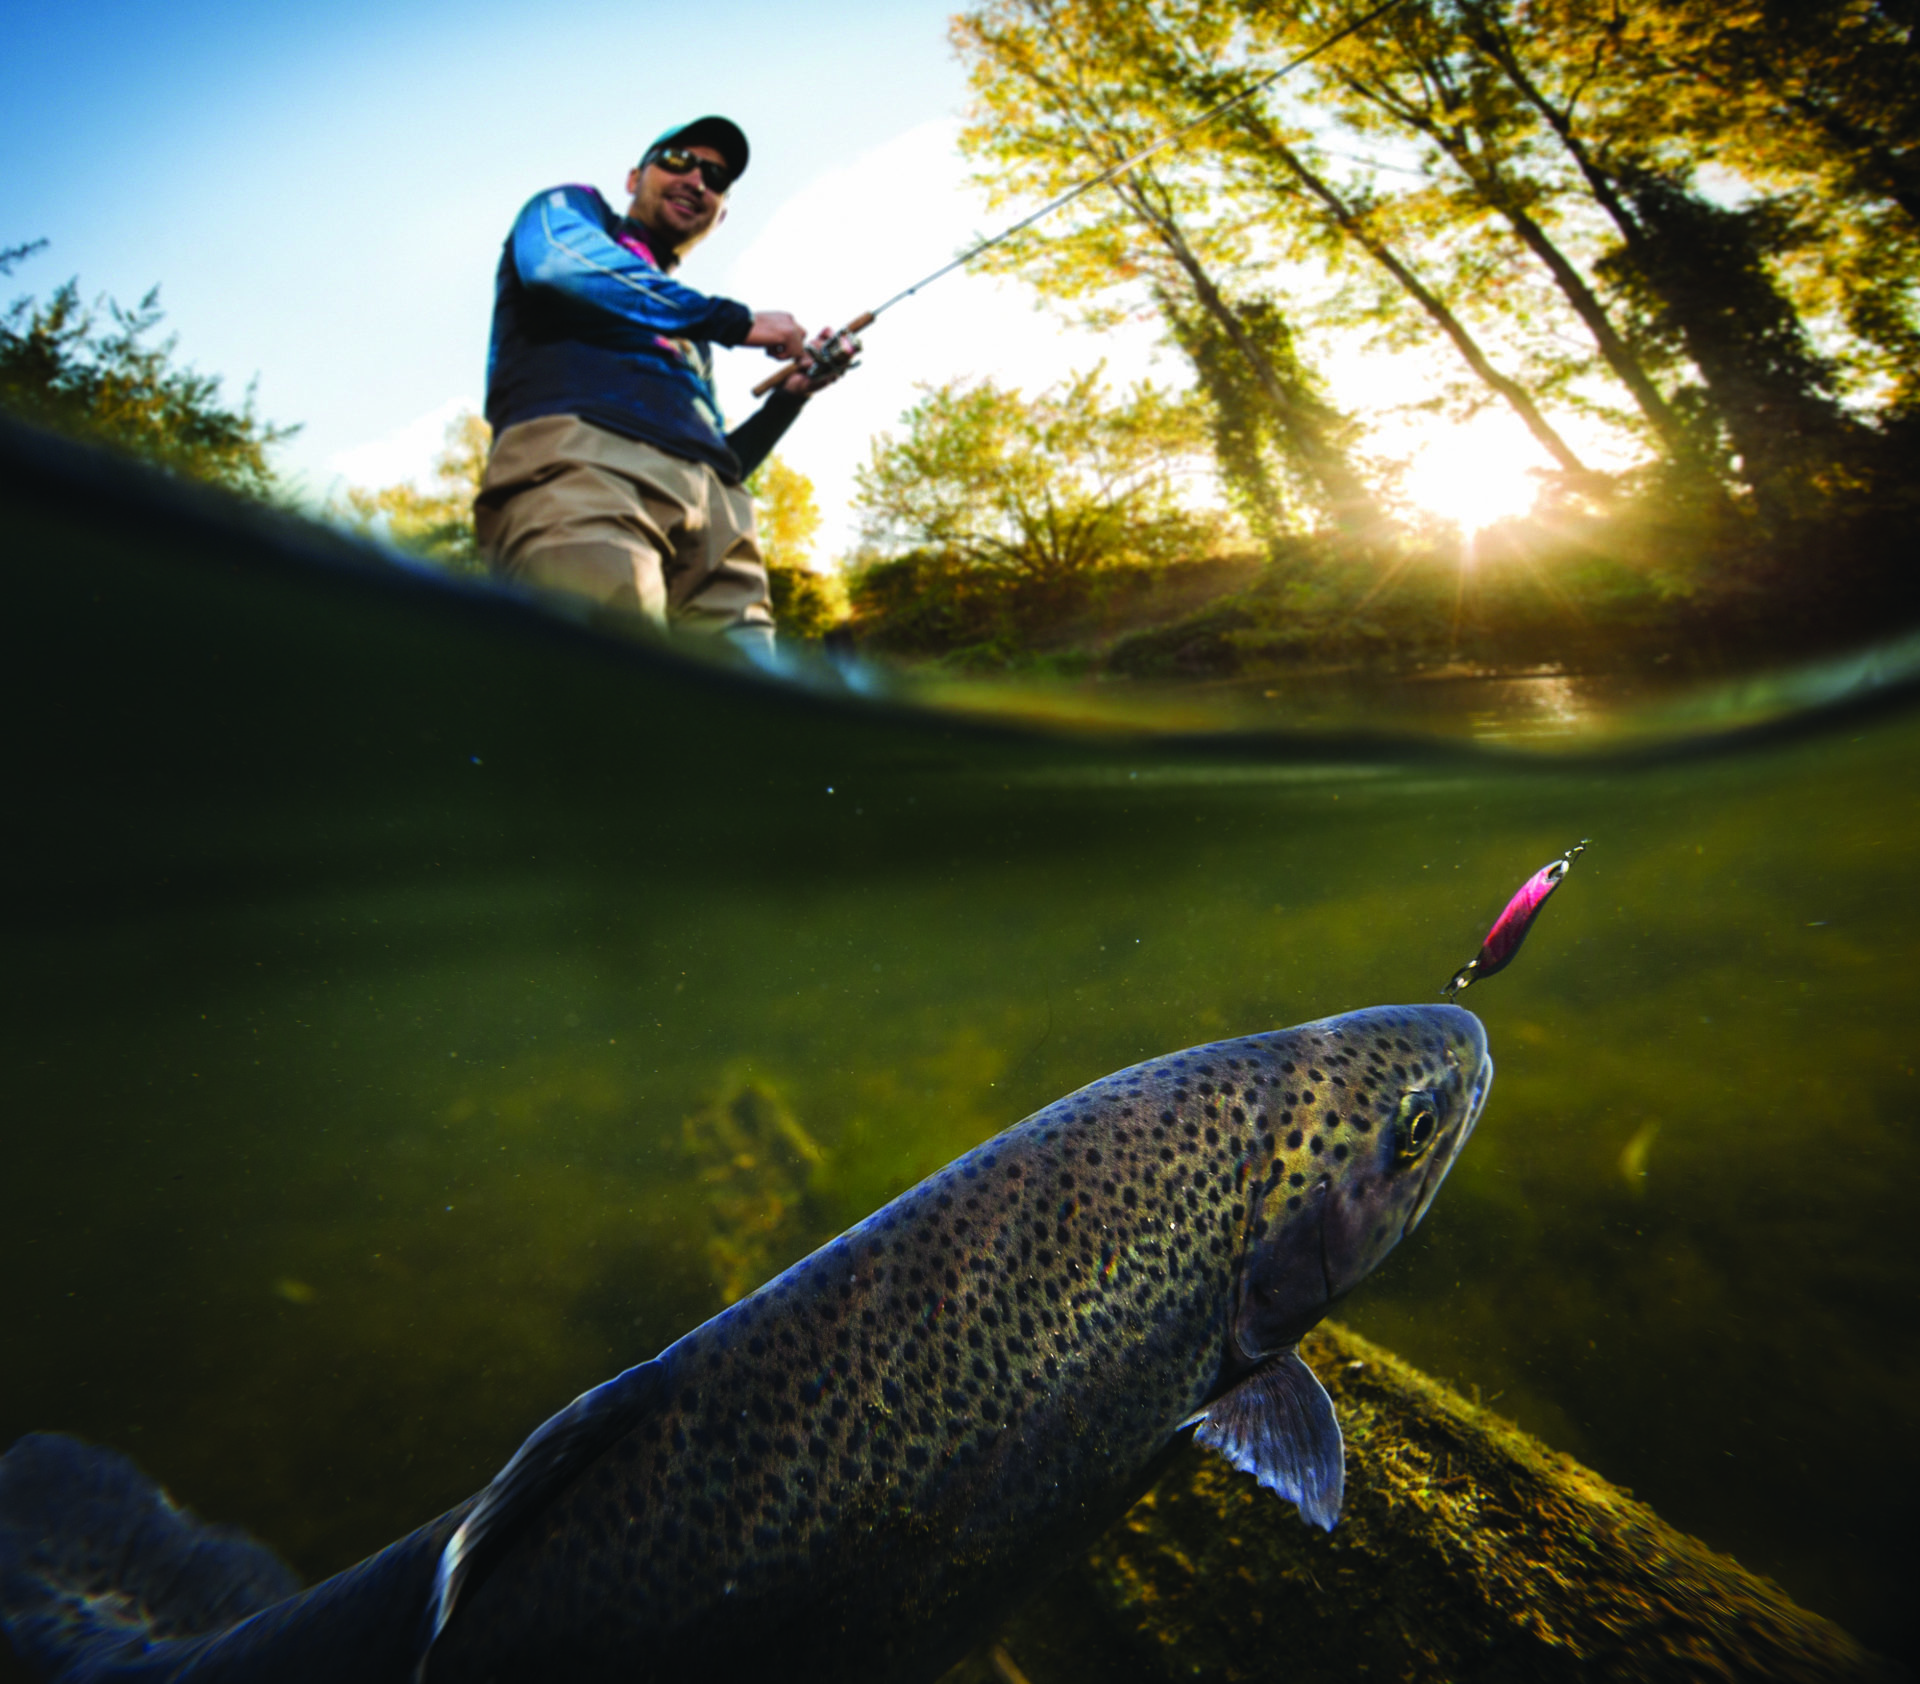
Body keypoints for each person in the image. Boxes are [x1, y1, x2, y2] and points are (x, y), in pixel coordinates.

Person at [473, 116, 855, 659]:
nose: (697, 180)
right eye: (678, 160)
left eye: (717, 178)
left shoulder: (692, 336)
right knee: (606, 688)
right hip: (586, 467)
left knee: (744, 721)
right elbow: (558, 264)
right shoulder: (575, 210)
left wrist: (790, 397)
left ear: (720, 215)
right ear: (634, 178)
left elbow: (723, 462)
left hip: (722, 523)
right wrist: (732, 320)